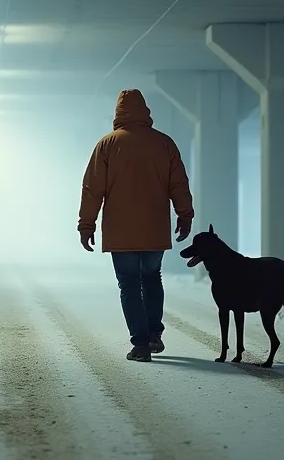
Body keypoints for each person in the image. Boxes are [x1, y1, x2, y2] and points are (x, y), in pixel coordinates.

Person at [77, 89, 195, 363]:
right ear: (145, 110)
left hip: (121, 231)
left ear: (118, 112)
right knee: (152, 278)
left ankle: (140, 345)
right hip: (155, 227)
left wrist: (86, 225)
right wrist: (184, 214)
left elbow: (92, 189)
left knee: (129, 284)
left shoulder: (107, 144)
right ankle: (154, 335)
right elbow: (179, 183)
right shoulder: (164, 143)